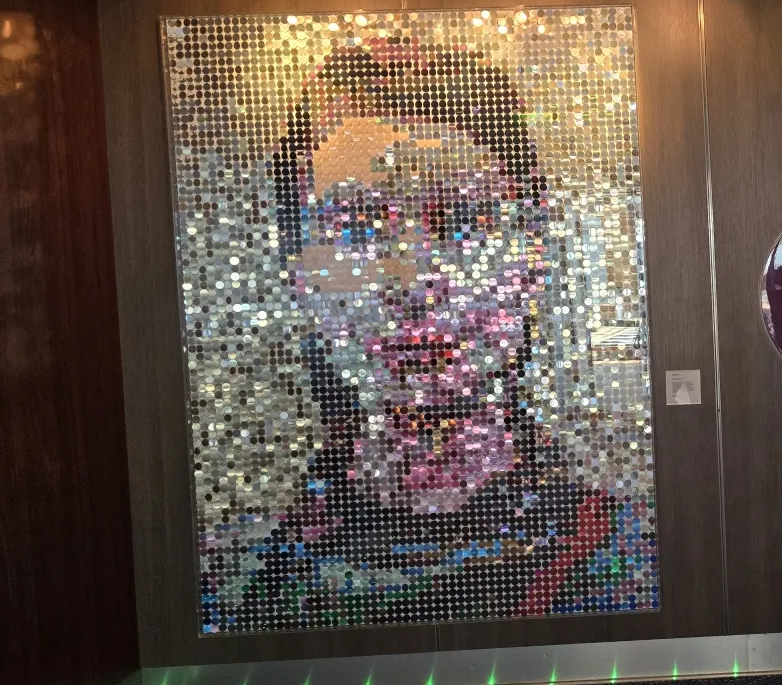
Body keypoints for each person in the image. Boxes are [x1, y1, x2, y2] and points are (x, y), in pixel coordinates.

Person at [197, 44, 653, 633]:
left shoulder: (620, 556)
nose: (411, 283)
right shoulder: (235, 581)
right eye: (357, 225)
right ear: (298, 268)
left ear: (533, 252)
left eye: (463, 221)